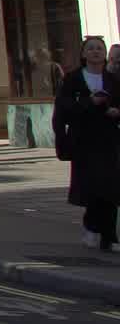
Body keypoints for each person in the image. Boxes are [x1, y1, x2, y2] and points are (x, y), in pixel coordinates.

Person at [55, 37, 120, 251]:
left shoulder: (113, 79)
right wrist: (89, 102)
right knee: (92, 187)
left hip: (109, 140)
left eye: (99, 49)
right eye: (91, 49)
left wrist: (116, 112)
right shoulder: (73, 79)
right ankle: (92, 228)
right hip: (84, 140)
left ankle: (109, 236)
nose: (95, 52)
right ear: (83, 54)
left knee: (111, 187)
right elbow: (63, 109)